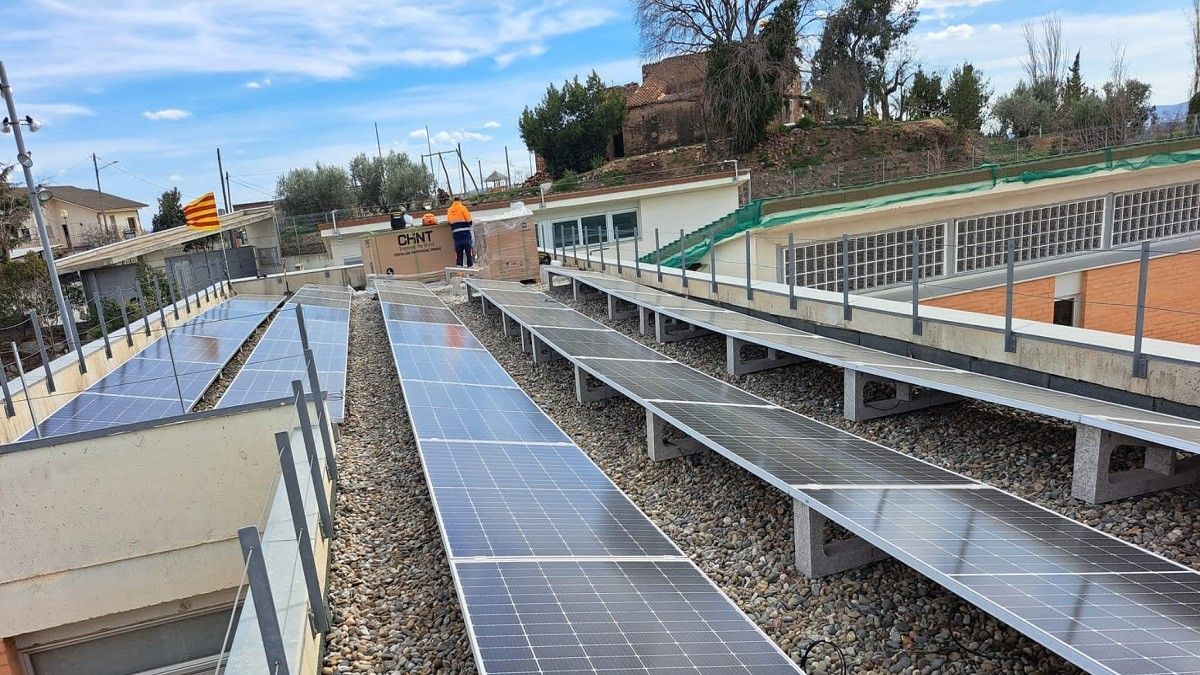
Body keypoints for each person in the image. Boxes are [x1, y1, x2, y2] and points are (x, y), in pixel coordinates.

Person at [446, 196, 474, 267]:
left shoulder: (449, 210)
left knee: (459, 253)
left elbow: (449, 222)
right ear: (460, 201)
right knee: (468, 251)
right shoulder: (463, 208)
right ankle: (470, 268)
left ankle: (460, 269)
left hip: (456, 234)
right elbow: (469, 220)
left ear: (453, 201)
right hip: (465, 233)